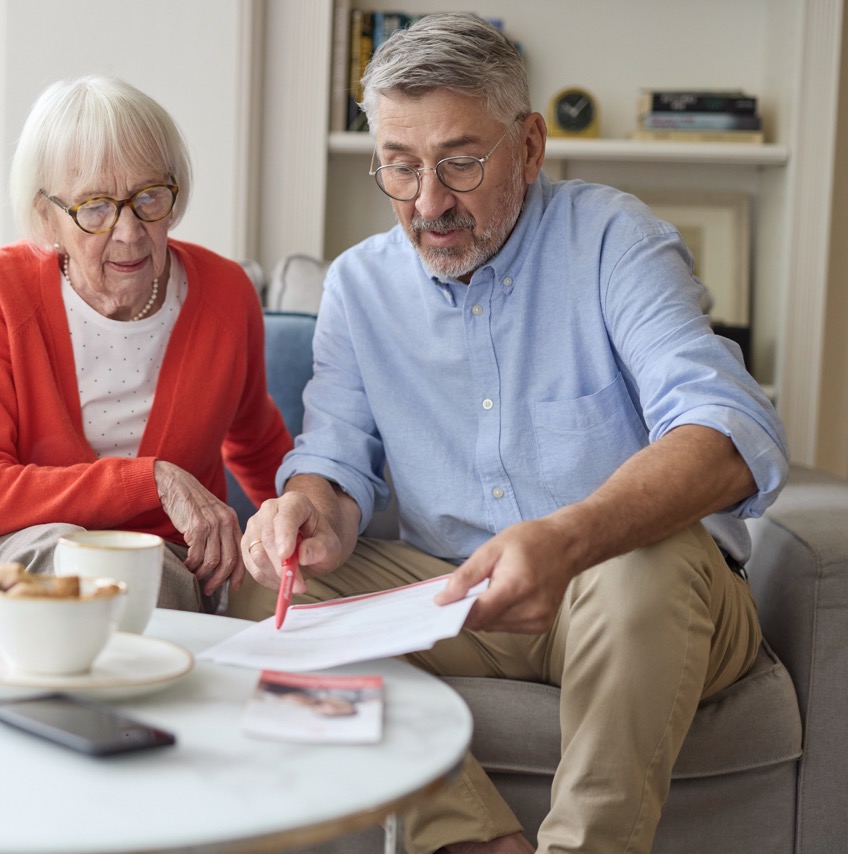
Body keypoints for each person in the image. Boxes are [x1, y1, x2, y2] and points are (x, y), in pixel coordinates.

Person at [234, 13, 788, 854]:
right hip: (464, 600)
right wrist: (306, 511)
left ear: (530, 147)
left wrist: (568, 539)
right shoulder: (358, 286)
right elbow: (333, 467)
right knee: (261, 593)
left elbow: (728, 427)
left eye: (460, 161)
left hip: (639, 594)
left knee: (643, 561)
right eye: (401, 166)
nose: (428, 203)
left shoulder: (612, 240)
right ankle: (473, 842)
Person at [0, 76, 291, 613]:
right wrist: (151, 481)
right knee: (97, 571)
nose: (129, 232)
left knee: (144, 577)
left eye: (149, 198)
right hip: (3, 549)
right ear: (48, 214)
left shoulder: (226, 294)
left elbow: (255, 441)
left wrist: (301, 519)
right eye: (94, 207)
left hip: (160, 566)